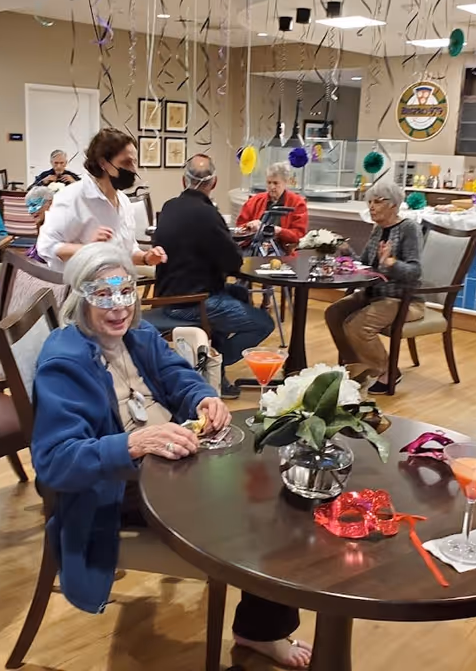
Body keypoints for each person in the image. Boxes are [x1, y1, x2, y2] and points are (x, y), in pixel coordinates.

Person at [32, 243, 312, 669]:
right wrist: (135, 443)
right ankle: (261, 629)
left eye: (126, 291)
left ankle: (261, 624)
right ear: (78, 297)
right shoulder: (63, 362)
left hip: (173, 454)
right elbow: (54, 462)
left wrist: (202, 398)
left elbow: (178, 375)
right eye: (102, 295)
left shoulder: (137, 335)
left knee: (273, 477)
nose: (118, 307)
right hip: (117, 485)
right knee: (262, 511)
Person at [154, 154, 274, 400]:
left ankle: (214, 370)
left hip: (167, 296)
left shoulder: (169, 207)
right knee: (264, 323)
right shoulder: (208, 215)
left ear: (183, 181)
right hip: (192, 303)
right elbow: (233, 262)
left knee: (238, 292)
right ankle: (210, 367)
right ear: (215, 182)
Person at [324, 179, 424, 394]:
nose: (371, 206)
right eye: (370, 201)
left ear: (394, 205)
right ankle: (358, 366)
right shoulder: (378, 229)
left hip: (403, 299)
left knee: (358, 325)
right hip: (374, 294)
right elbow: (366, 265)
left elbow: (415, 272)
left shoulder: (409, 228)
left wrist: (392, 263)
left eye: (378, 201)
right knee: (334, 312)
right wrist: (346, 251)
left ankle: (388, 371)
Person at [36, 128, 167, 274]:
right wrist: (89, 249)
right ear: (103, 163)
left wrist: (146, 257)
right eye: (126, 162)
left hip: (117, 287)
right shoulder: (72, 197)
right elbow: (46, 246)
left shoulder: (123, 202)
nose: (133, 169)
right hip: (80, 290)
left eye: (135, 162)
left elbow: (125, 252)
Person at [236, 162, 309, 249]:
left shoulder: (297, 203)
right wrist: (249, 225)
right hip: (253, 248)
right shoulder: (254, 201)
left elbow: (299, 235)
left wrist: (279, 231)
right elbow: (239, 228)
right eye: (269, 182)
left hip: (282, 250)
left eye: (275, 183)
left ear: (285, 182)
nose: (271, 187)